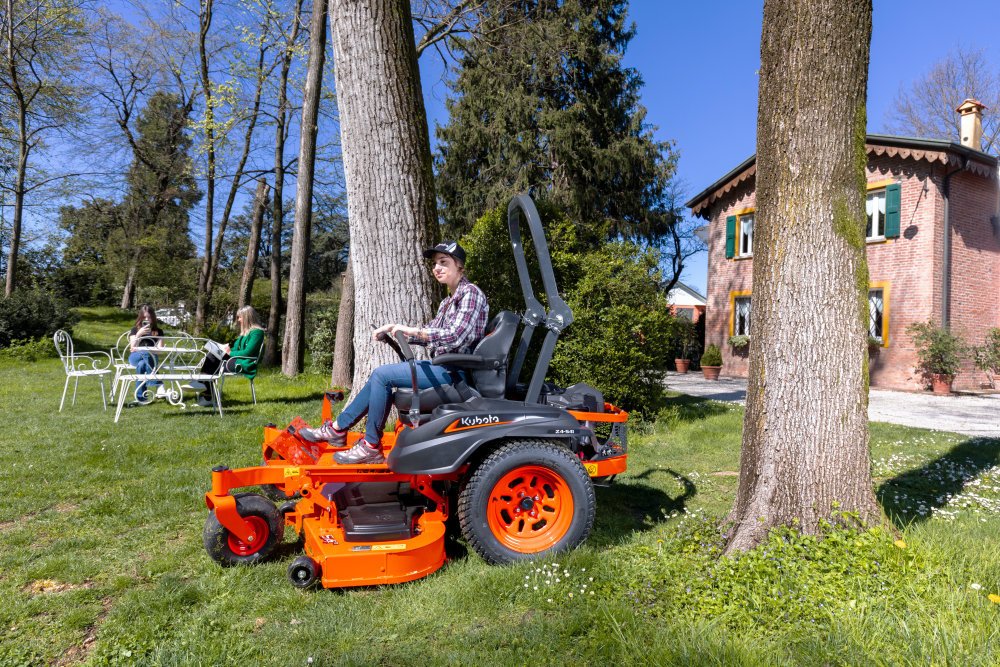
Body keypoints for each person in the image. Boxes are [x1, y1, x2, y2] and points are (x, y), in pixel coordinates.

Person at [300, 240, 489, 464]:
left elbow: (456, 336)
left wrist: (411, 331)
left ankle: (368, 445)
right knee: (381, 378)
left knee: (383, 375)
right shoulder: (448, 302)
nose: (437, 268)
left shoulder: (471, 294)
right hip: (443, 367)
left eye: (443, 262)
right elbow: (429, 332)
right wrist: (393, 329)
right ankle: (338, 429)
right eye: (435, 263)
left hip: (455, 373)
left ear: (459, 266)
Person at [193, 305, 266, 407]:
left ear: (247, 317)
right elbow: (235, 349)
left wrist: (229, 353)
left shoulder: (257, 333)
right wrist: (225, 350)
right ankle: (206, 391)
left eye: (240, 317)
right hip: (235, 360)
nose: (239, 320)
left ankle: (205, 390)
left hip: (244, 363)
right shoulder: (244, 333)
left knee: (212, 361)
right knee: (212, 356)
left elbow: (248, 352)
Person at [128, 304, 164, 403]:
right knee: (145, 353)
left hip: (152, 357)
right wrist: (139, 334)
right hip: (135, 356)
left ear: (153, 317)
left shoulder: (158, 331)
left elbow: (160, 350)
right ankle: (158, 383)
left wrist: (149, 350)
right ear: (140, 318)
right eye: (144, 317)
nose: (147, 320)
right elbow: (132, 347)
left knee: (142, 365)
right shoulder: (135, 330)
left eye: (149, 317)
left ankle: (141, 398)